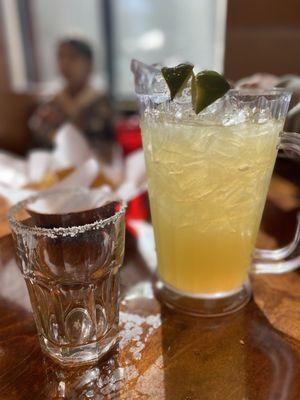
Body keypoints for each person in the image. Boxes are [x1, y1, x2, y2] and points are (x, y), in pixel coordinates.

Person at [31, 37, 114, 148]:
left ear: (89, 64)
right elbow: (39, 138)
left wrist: (64, 123)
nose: (65, 63)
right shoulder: (52, 100)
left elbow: (106, 141)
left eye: (73, 57)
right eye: (61, 57)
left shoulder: (101, 101)